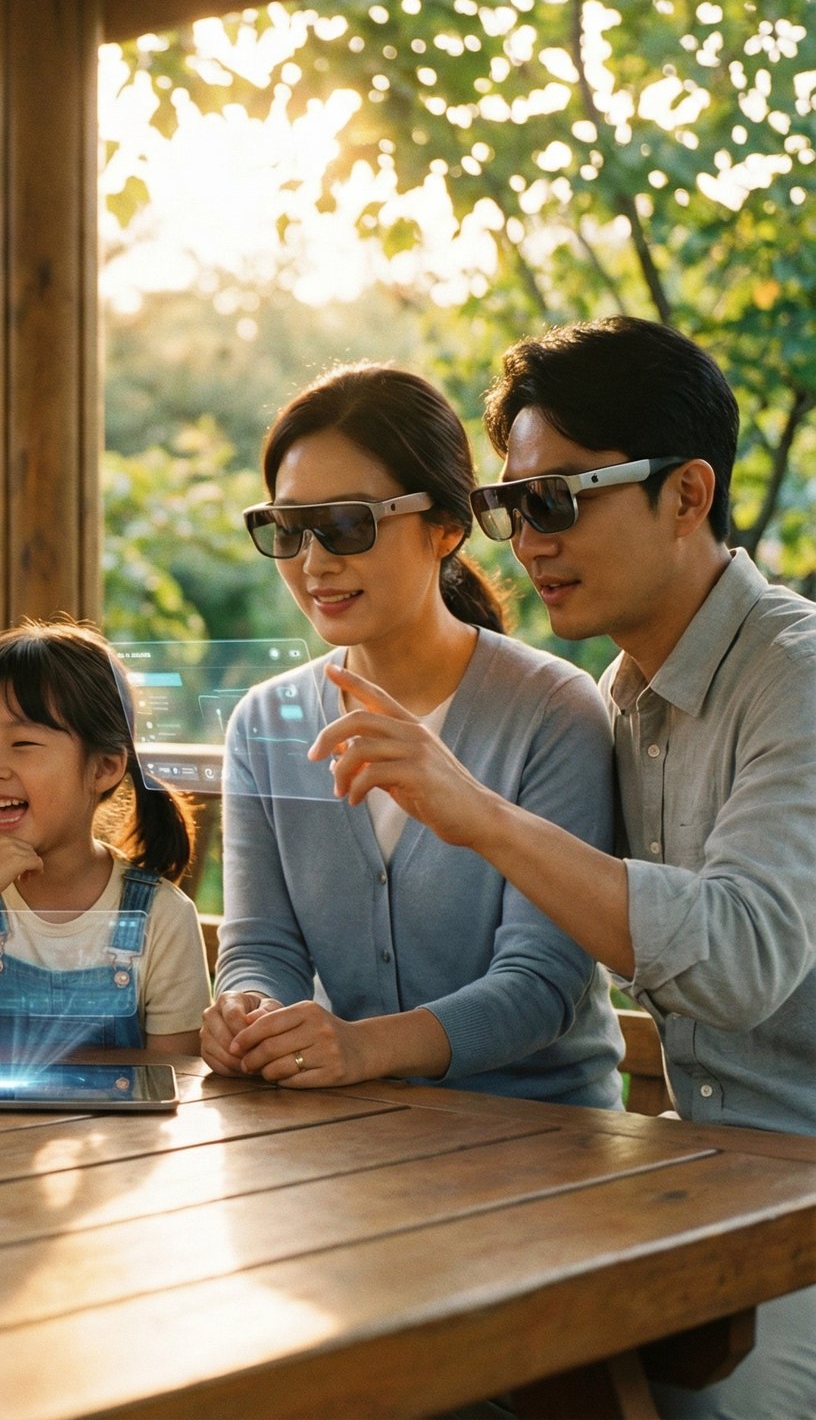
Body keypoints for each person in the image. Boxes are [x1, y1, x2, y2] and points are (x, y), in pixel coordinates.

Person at [311, 320, 815, 1418]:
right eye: (507, 507)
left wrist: (475, 811)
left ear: (687, 495)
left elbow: (737, 957)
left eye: (556, 499)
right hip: (706, 1178)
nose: (524, 541)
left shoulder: (797, 675)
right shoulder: (623, 697)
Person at [202, 364, 623, 1107]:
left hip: (552, 1150)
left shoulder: (554, 710)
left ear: (446, 527)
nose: (313, 562)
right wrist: (249, 1012)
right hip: (356, 1139)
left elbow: (541, 984)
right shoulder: (263, 725)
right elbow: (261, 946)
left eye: (344, 525)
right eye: (288, 529)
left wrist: (365, 1046)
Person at [0, 620, 209, 1058]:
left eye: (21, 743)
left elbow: (177, 1077)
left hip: (118, 1128)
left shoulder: (161, 916)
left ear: (104, 768)